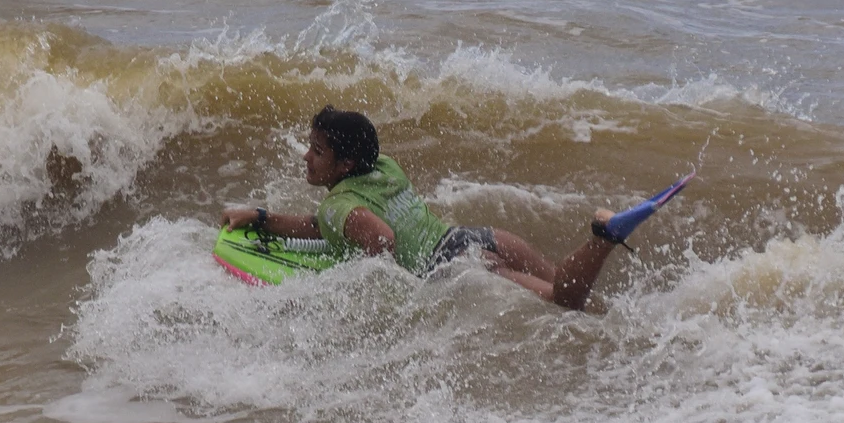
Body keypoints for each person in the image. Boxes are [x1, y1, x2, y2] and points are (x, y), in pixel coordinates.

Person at [221, 106, 669, 312]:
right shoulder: (385, 166)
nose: (306, 157)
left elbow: (375, 237)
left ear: (346, 165)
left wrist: (374, 286)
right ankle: (634, 306)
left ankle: (603, 236)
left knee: (561, 301)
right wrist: (262, 217)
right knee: (578, 302)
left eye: (317, 151)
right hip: (480, 238)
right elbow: (328, 225)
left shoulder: (339, 206)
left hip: (464, 264)